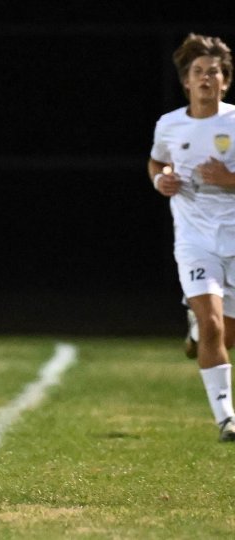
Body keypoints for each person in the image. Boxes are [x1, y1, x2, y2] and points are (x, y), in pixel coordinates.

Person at [149, 33, 235, 441]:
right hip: (195, 240)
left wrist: (228, 179)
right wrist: (161, 181)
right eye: (198, 72)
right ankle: (226, 419)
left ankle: (198, 335)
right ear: (187, 82)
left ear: (225, 80)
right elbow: (156, 162)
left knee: (224, 336)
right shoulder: (170, 124)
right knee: (213, 324)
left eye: (213, 72)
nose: (205, 79)